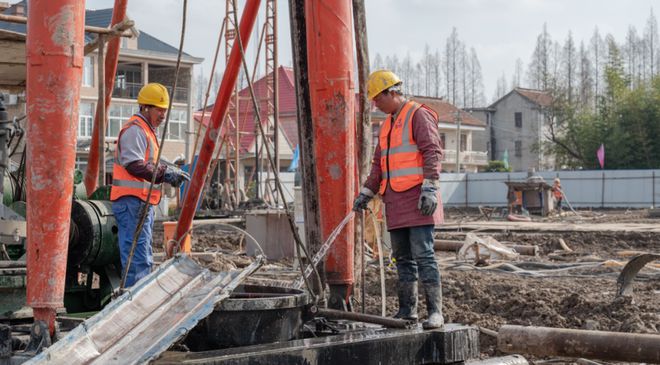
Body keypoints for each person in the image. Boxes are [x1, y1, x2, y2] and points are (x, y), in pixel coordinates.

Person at [353, 70, 445, 329]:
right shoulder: (387, 125)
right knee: (401, 258)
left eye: (377, 98)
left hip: (418, 198)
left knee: (424, 255)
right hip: (395, 201)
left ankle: (435, 312)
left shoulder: (418, 115)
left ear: (392, 92)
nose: (375, 104)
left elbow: (432, 151)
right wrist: (366, 192)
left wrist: (430, 187)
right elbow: (378, 165)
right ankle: (407, 310)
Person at [110, 83, 190, 287]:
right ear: (145, 107)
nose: (163, 115)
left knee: (142, 256)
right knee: (137, 260)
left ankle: (136, 300)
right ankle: (134, 304)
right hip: (131, 202)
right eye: (159, 109)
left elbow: (149, 163)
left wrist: (169, 170)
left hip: (140, 203)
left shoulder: (146, 131)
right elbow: (134, 164)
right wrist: (165, 174)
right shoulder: (136, 130)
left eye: (165, 110)